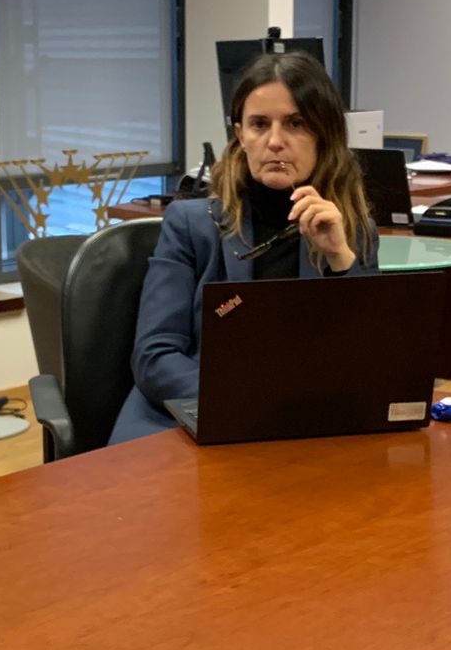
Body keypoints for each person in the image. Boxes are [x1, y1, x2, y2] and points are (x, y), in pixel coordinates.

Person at [110, 51, 377, 444]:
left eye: (296, 124)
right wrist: (247, 402)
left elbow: (370, 364)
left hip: (305, 428)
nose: (275, 141)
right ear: (240, 135)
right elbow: (155, 356)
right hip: (188, 419)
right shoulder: (190, 225)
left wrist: (341, 259)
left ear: (324, 134)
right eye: (259, 124)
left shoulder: (351, 230)